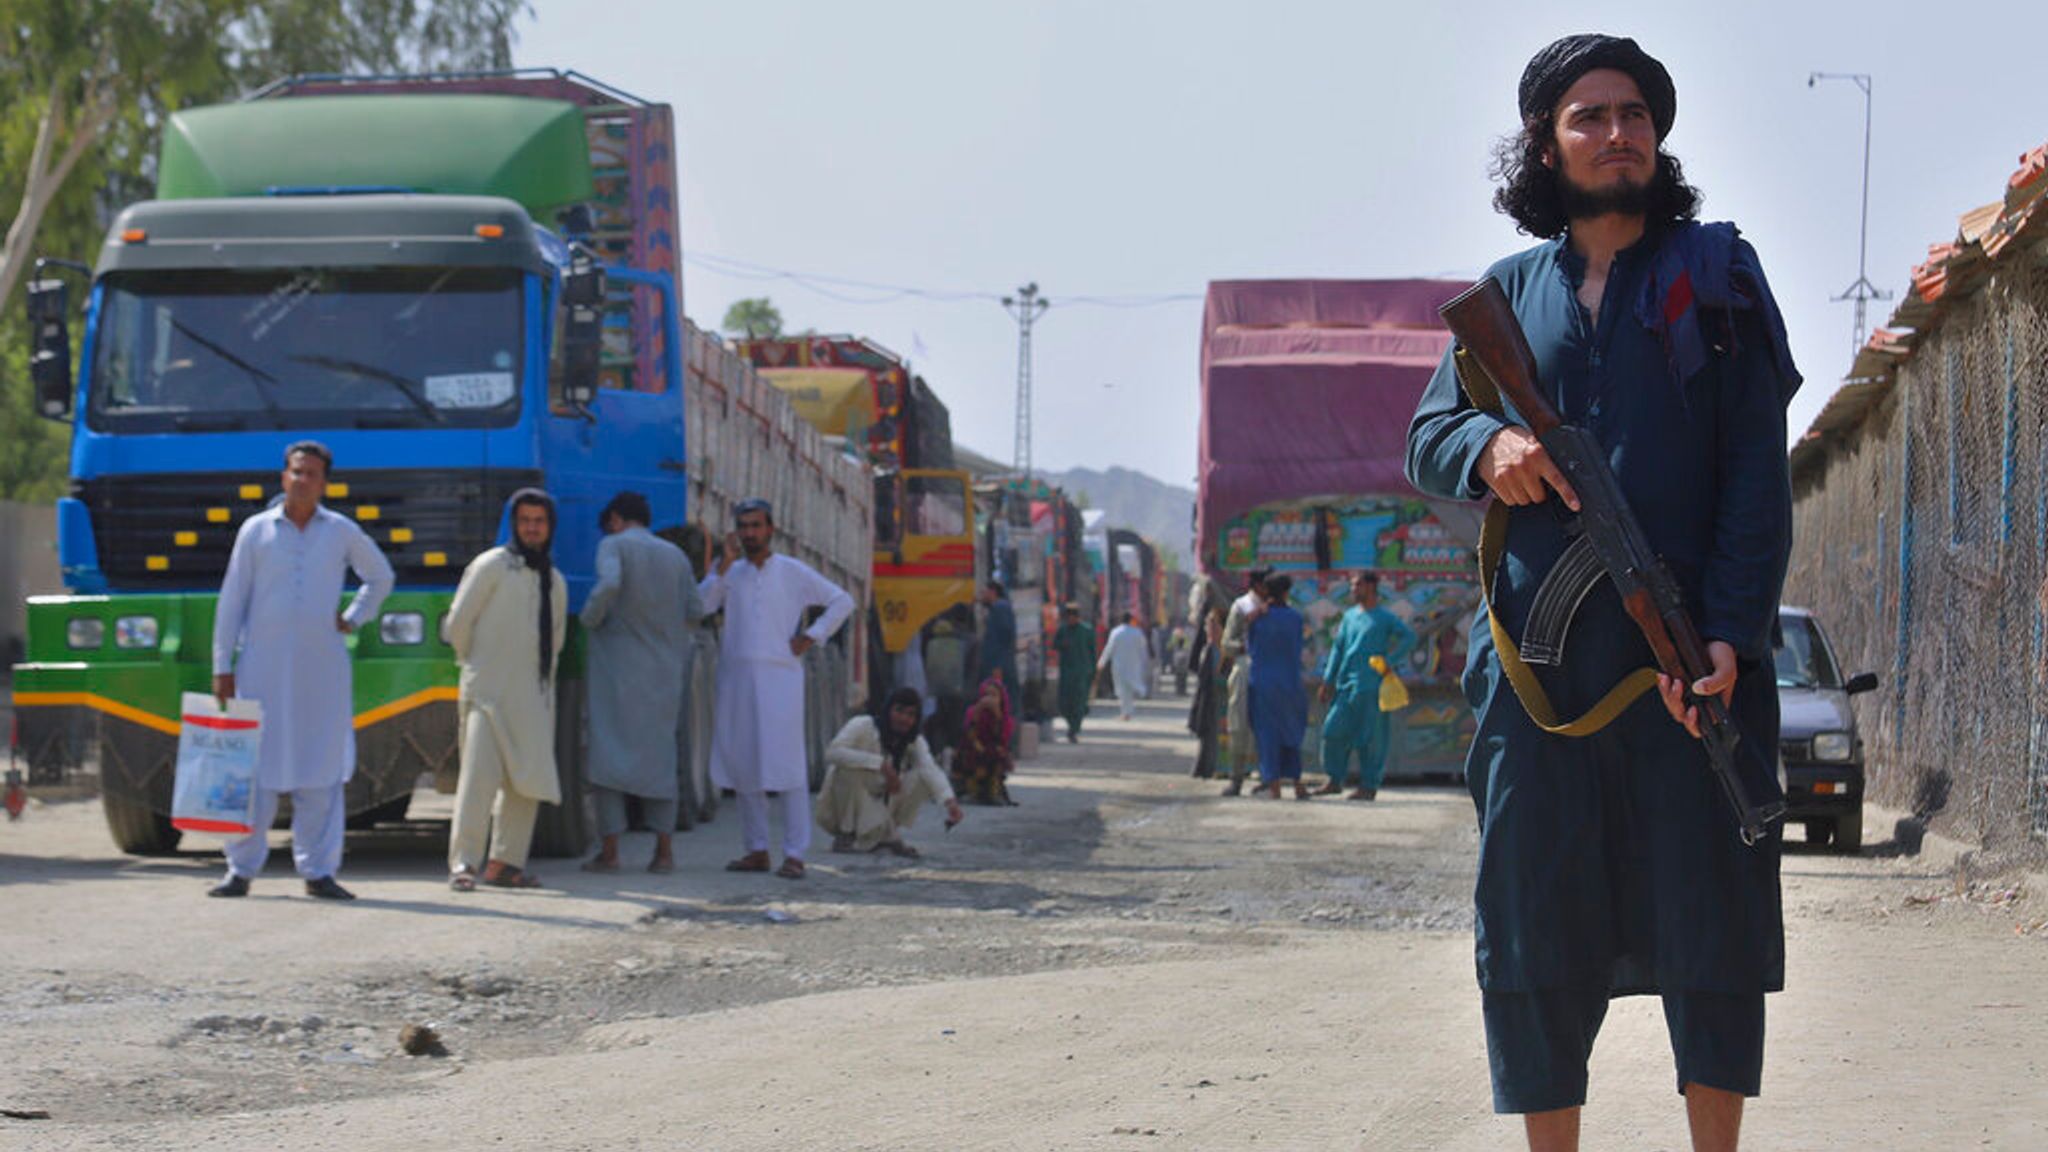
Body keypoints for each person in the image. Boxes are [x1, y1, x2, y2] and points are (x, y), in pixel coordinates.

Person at [1405, 34, 1799, 1151]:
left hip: (1688, 671)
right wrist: (1486, 446)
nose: (1615, 133)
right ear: (1545, 141)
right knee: (1532, 926)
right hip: (1538, 688)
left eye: (1633, 114)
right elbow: (1427, 435)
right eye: (1589, 115)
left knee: (1710, 917)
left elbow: (1752, 479)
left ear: (1656, 136)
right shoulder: (1507, 295)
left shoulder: (1714, 276)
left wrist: (1724, 637)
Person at [208, 441, 394, 900]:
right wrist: (222, 665)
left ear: (324, 482)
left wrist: (353, 617)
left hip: (321, 670)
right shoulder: (256, 531)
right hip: (259, 669)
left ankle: (318, 871)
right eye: (295, 472)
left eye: (311, 473)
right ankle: (241, 869)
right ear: (282, 476)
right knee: (253, 769)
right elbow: (233, 599)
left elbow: (381, 576)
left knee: (321, 770)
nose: (302, 480)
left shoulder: (340, 531)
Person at [699, 499, 855, 880]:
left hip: (780, 681)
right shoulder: (730, 574)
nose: (750, 533)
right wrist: (721, 564)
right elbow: (702, 604)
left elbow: (842, 600)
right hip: (736, 679)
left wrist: (811, 636)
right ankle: (756, 850)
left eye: (756, 526)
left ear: (771, 529)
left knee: (787, 766)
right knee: (744, 763)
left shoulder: (791, 572)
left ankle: (795, 853)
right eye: (744, 526)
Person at [445, 489, 567, 891]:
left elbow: (557, 643)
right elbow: (458, 625)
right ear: (514, 524)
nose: (532, 528)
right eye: (525, 520)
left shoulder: (554, 580)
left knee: (526, 784)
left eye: (540, 521)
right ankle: (464, 865)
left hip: (532, 697)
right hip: (487, 693)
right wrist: (476, 669)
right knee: (478, 781)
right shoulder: (492, 566)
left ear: (549, 528)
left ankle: (506, 864)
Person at [580, 491, 703, 875]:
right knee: (660, 759)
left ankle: (611, 852)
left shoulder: (613, 545)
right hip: (664, 672)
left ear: (615, 519)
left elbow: (609, 584)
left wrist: (590, 618)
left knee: (608, 756)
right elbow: (695, 609)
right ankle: (663, 852)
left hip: (615, 670)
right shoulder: (675, 556)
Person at [816, 687, 965, 858]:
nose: (904, 719)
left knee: (921, 777)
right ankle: (847, 836)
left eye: (910, 715)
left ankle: (887, 834)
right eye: (899, 711)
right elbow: (833, 753)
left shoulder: (913, 741)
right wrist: (880, 765)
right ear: (888, 710)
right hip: (852, 801)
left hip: (883, 798)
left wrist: (950, 802)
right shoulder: (862, 725)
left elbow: (929, 768)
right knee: (846, 770)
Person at [1316, 572, 1417, 801]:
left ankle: (1368, 786)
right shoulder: (1349, 617)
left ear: (1371, 587)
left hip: (1371, 686)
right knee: (1332, 731)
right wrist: (1328, 679)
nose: (1353, 589)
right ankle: (1334, 780)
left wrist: (1388, 662)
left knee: (1370, 738)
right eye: (1352, 585)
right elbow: (1338, 649)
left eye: (1358, 585)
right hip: (1345, 685)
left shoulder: (1384, 617)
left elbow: (1409, 638)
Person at [1245, 575, 1309, 800]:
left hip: (1262, 683)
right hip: (1290, 683)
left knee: (1267, 734)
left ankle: (1274, 786)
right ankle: (1298, 783)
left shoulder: (1257, 619)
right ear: (1285, 592)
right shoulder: (1296, 619)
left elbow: (1250, 647)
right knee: (1291, 732)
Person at [1217, 569, 1271, 796]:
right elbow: (1226, 644)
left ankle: (1268, 778)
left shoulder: (1274, 607)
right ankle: (1236, 777)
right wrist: (1246, 642)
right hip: (1245, 667)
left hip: (1270, 670)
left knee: (1268, 727)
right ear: (1258, 585)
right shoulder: (1241, 607)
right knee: (1239, 724)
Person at [951, 675, 1017, 805]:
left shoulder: (1006, 719)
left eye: (994, 695)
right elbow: (968, 736)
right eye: (986, 695)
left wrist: (997, 715)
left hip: (992, 751)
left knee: (997, 753)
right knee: (968, 753)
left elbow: (1002, 740)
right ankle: (970, 790)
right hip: (974, 749)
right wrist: (977, 714)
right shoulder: (972, 712)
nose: (989, 699)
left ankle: (993, 790)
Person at [1051, 604, 1097, 743]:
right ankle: (1071, 725)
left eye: (1073, 617)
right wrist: (1062, 644)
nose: (1070, 620)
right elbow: (1054, 644)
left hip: (1082, 672)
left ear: (1077, 617)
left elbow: (1092, 652)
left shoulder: (1087, 631)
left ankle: (1074, 729)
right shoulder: (1063, 630)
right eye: (1068, 618)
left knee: (1079, 703)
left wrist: (1093, 671)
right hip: (1066, 673)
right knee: (1064, 703)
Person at [974, 581, 1019, 719]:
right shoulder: (997, 609)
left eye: (984, 592)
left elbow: (1005, 636)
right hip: (997, 664)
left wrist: (998, 665)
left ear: (993, 592)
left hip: (999, 666)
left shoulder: (1000, 607)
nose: (982, 596)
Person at [1097, 613, 1151, 721]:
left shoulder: (1116, 632)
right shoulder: (1137, 632)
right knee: (1129, 689)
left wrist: (1101, 662)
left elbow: (1109, 648)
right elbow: (1143, 650)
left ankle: (1125, 712)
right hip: (1133, 665)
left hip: (1119, 665)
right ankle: (1127, 711)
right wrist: (1145, 663)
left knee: (1122, 690)